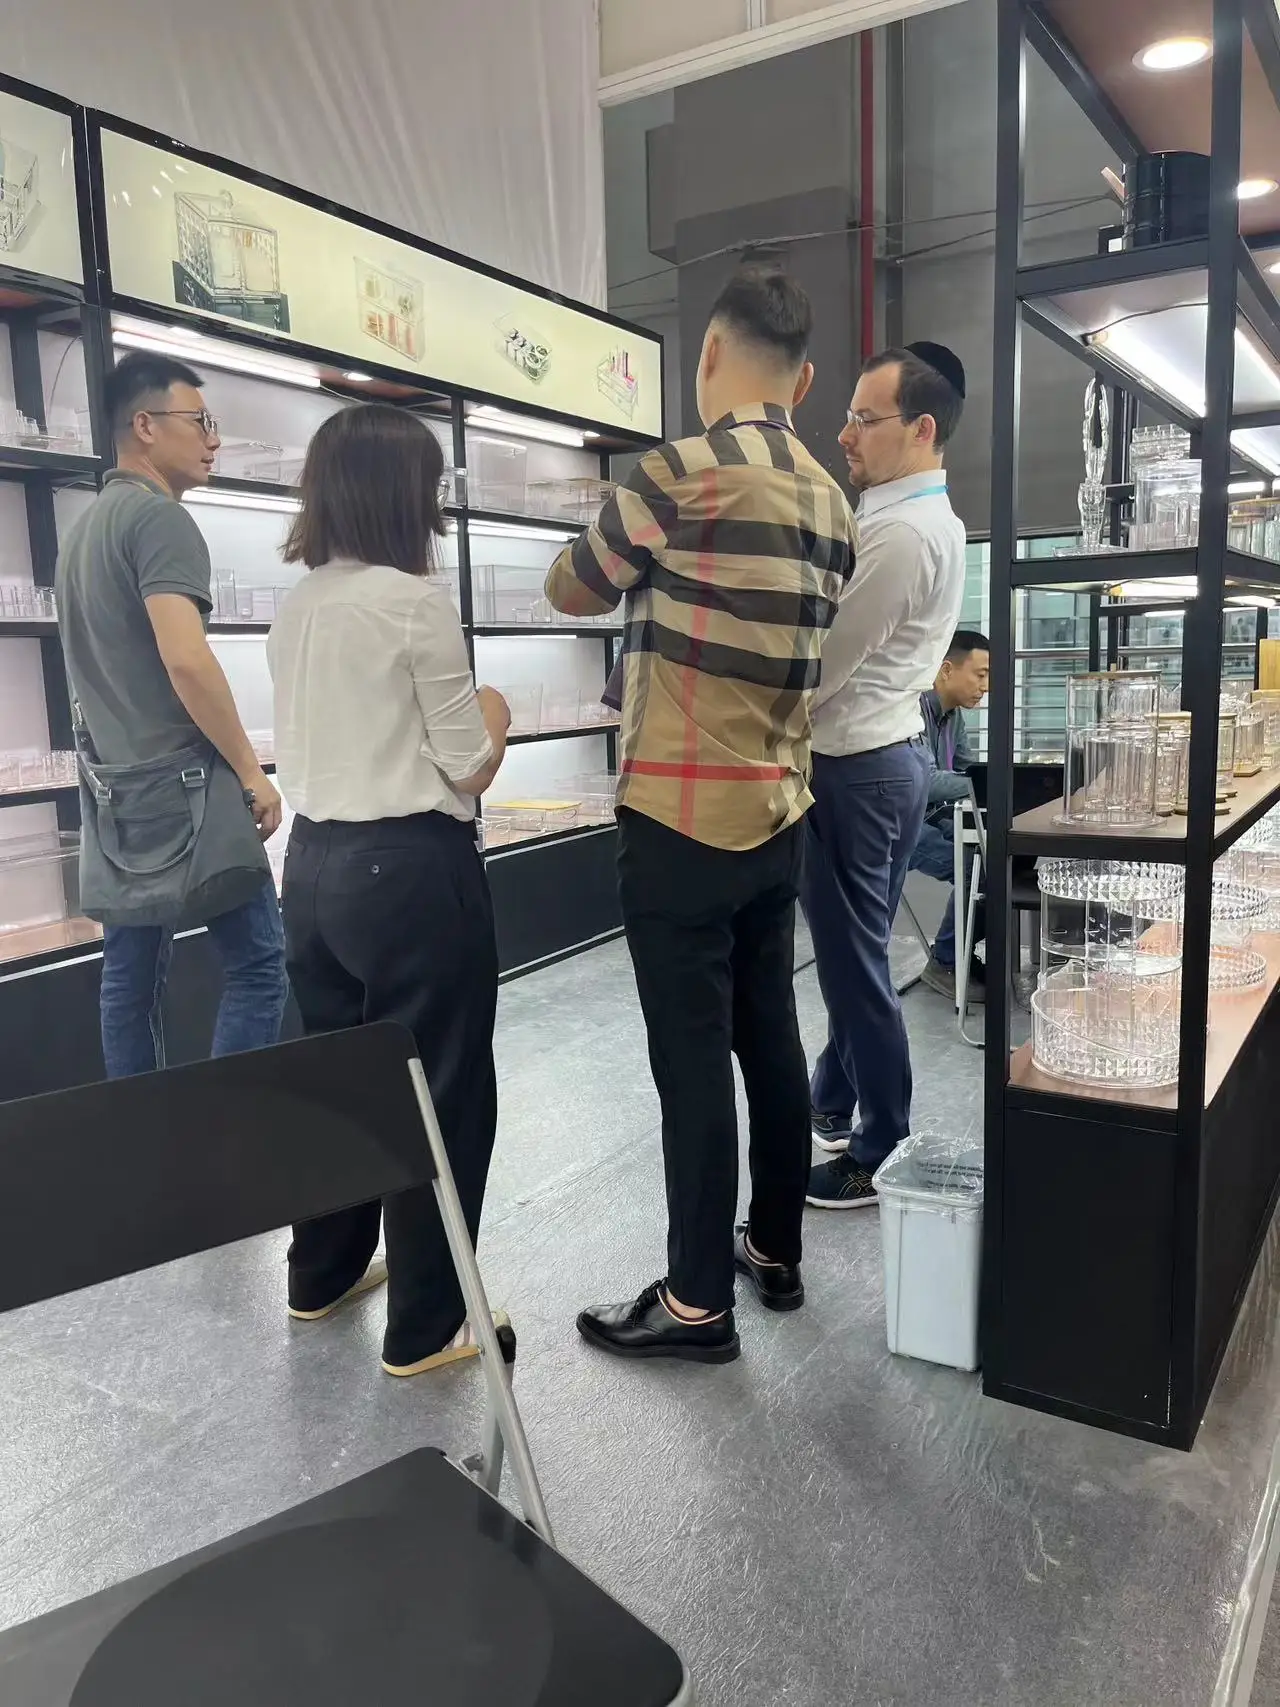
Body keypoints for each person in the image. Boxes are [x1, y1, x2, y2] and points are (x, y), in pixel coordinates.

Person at [545, 267, 856, 1364]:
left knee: (689, 1063)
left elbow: (569, 588)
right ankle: (773, 1249)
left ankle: (693, 1304)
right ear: (803, 382)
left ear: (708, 356)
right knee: (769, 1036)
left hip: (677, 818)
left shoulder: (673, 475)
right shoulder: (833, 500)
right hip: (777, 809)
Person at [268, 403, 511, 1378]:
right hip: (409, 872)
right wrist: (496, 711)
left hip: (311, 866)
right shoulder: (412, 603)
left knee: (340, 1087)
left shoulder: (298, 602)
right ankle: (427, 1327)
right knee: (442, 1092)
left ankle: (319, 1275)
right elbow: (469, 765)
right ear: (405, 496)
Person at [56, 352, 287, 1079]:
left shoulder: (83, 530)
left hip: (116, 795)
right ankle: (224, 1129)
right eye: (201, 421)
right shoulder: (160, 520)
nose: (213, 440)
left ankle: (140, 1130)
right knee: (258, 964)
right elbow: (186, 658)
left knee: (129, 983)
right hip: (188, 789)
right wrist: (250, 770)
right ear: (145, 425)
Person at [803, 342, 967, 1207]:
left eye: (864, 419)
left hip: (855, 766)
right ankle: (831, 1098)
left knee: (854, 963)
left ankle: (880, 1145)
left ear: (923, 427)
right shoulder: (923, 517)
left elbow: (825, 664)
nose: (845, 434)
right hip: (885, 758)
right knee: (853, 950)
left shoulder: (901, 534)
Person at [912, 629, 990, 1003]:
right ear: (946, 669)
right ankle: (945, 961)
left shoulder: (953, 715)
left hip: (936, 815)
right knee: (978, 867)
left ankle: (958, 954)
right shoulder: (913, 711)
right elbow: (925, 783)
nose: (985, 686)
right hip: (904, 822)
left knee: (996, 857)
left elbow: (966, 771)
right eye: (980, 674)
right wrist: (990, 783)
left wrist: (987, 782)